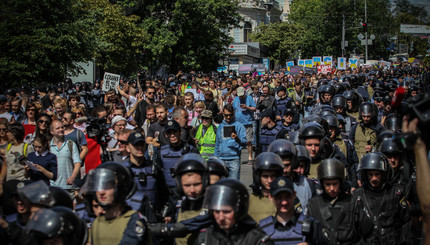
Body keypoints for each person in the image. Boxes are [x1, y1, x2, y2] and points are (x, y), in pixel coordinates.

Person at [84, 162, 152, 245]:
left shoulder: (134, 221)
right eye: (99, 186)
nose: (101, 192)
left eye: (107, 186)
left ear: (120, 188)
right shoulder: (97, 223)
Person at [354, 152, 411, 244]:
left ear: (383, 174)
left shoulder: (395, 194)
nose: (374, 178)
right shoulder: (357, 197)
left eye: (377, 174)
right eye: (370, 174)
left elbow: (406, 222)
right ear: (365, 175)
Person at [195, 178, 273, 244]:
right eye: (217, 211)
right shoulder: (204, 238)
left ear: (239, 211)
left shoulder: (257, 240)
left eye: (226, 212)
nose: (221, 217)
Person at [259, 176, 328, 244]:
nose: (284, 202)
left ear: (294, 195)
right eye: (279, 197)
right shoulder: (262, 228)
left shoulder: (312, 225)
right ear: (271, 197)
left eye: (288, 196)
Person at [307, 158, 361, 244]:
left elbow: (362, 234)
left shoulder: (352, 203)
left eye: (335, 184)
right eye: (328, 184)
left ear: (341, 183)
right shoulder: (313, 205)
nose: (332, 189)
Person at [124, 131, 168, 222]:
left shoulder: (154, 168)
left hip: (153, 218)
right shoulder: (123, 170)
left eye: (142, 144)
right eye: (136, 145)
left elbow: (164, 193)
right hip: (130, 219)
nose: (140, 148)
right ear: (128, 148)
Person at [170, 153, 209, 245]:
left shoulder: (213, 205)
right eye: (187, 185)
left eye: (196, 184)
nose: (192, 190)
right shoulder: (178, 204)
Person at [155, 120, 199, 192]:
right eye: (169, 132)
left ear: (180, 132)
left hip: (187, 192)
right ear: (166, 135)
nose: (172, 135)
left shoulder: (191, 150)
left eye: (174, 132)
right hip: (168, 193)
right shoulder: (161, 153)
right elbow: (158, 175)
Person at [248, 152, 283, 224]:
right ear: (258, 177)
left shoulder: (285, 199)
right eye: (265, 176)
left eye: (273, 176)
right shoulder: (250, 199)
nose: (269, 181)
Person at [49, 120, 81, 198]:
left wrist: (73, 177)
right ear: (51, 131)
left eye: (62, 127)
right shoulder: (47, 146)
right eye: (57, 128)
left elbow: (77, 163)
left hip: (68, 186)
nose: (61, 129)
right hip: (53, 186)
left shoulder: (71, 144)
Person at [214, 104, 247, 180]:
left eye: (230, 115)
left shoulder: (239, 126)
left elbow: (244, 142)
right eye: (226, 115)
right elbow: (217, 143)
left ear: (234, 113)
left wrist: (237, 139)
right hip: (221, 159)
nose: (228, 117)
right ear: (223, 114)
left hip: (234, 159)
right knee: (222, 184)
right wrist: (216, 158)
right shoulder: (221, 126)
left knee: (233, 184)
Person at [233, 86, 256, 165]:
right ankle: (237, 156)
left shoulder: (249, 98)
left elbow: (254, 108)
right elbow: (233, 109)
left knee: (248, 141)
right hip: (238, 123)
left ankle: (250, 157)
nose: (241, 97)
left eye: (242, 95)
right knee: (237, 140)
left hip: (247, 122)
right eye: (239, 95)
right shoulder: (235, 99)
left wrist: (247, 107)